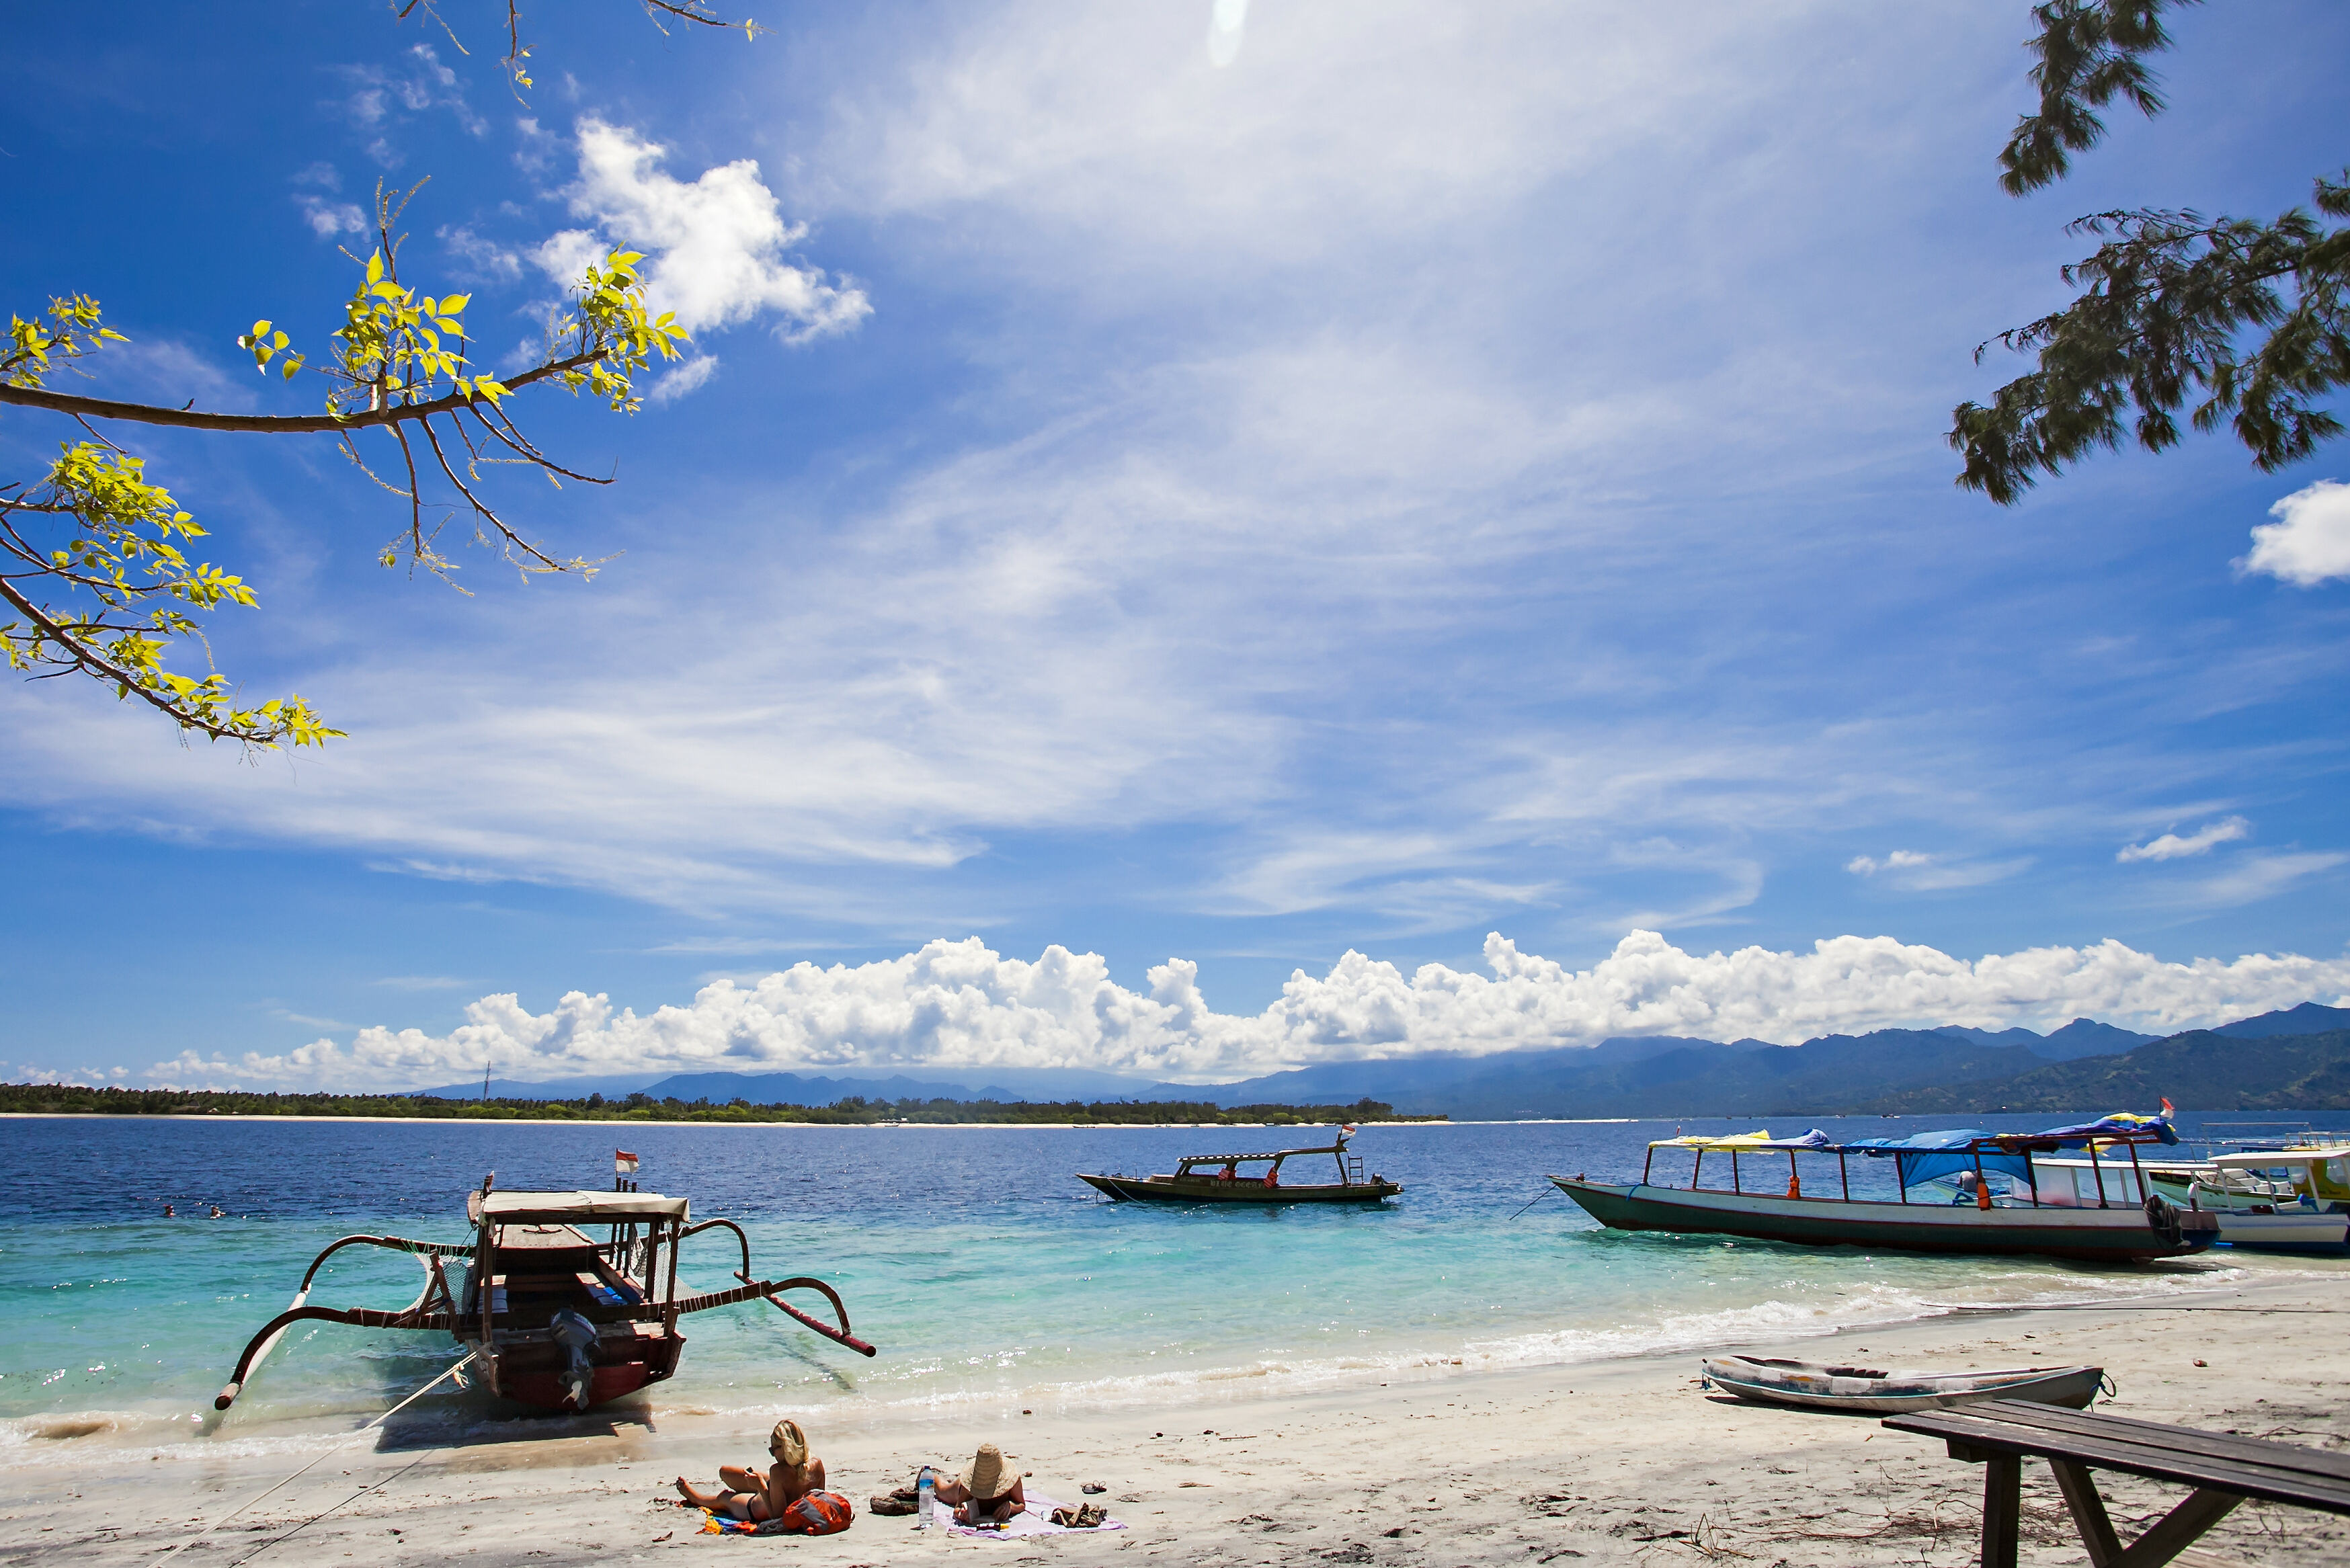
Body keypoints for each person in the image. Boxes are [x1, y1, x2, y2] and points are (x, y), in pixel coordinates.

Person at [676, 1419, 825, 1523]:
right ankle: (754, 1483)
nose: (772, 1454)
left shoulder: (778, 1471)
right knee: (725, 1472)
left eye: (774, 1450)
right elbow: (819, 1501)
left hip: (758, 1507)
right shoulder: (816, 1464)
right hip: (773, 1488)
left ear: (786, 1448)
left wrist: (760, 1487)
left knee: (725, 1498)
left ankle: (695, 1498)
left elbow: (778, 1517)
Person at [933, 1442, 1024, 1526]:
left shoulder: (1011, 1480)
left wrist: (1010, 1506)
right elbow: (957, 1510)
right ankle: (928, 1475)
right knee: (942, 1489)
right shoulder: (970, 1485)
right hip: (958, 1489)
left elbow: (1021, 1504)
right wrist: (962, 1513)